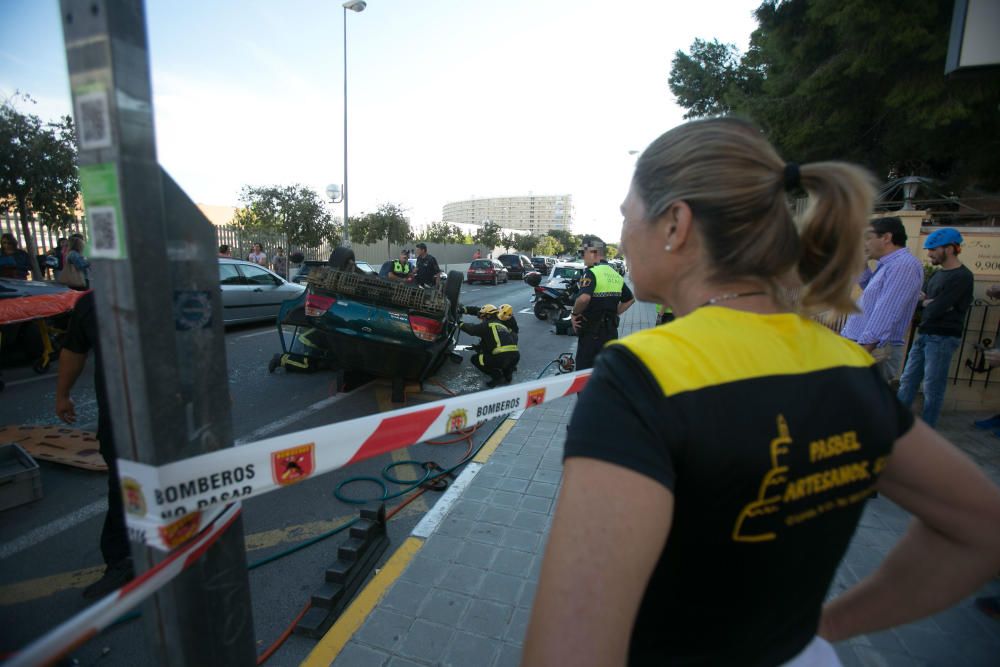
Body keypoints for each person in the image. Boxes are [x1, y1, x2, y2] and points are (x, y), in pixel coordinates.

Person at [522, 117, 1000, 666]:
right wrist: (824, 627)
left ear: (676, 222)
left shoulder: (642, 373)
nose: (624, 236)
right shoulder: (844, 363)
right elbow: (983, 526)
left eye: (627, 216)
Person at [55, 291, 134, 599]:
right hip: (119, 421)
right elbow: (74, 350)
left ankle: (189, 550)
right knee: (124, 490)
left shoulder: (178, 293)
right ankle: (122, 561)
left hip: (176, 418)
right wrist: (63, 394)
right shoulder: (95, 303)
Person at [896, 228, 974, 428]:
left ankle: (927, 429)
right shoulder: (938, 275)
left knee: (932, 386)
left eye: (933, 249)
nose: (929, 253)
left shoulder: (963, 277)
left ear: (949, 249)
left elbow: (936, 308)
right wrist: (928, 303)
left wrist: (929, 303)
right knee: (907, 380)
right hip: (924, 333)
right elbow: (924, 302)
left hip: (943, 338)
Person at [840, 217, 923, 383]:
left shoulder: (903, 265)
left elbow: (887, 311)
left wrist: (862, 352)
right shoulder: (888, 265)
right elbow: (871, 293)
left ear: (886, 238)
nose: (864, 244)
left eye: (868, 238)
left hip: (872, 349)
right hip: (863, 345)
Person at [570, 236, 635, 370]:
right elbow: (630, 299)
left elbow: (584, 298)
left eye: (583, 253)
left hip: (591, 335)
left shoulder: (591, 272)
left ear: (593, 252)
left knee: (584, 376)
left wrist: (574, 314)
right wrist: (615, 312)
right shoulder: (615, 274)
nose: (582, 257)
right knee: (605, 372)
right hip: (611, 333)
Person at [460, 303, 519, 388]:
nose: (481, 319)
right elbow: (478, 311)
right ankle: (508, 373)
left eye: (482, 317)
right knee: (504, 353)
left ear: (488, 316)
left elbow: (472, 329)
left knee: (476, 359)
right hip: (516, 355)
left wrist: (459, 324)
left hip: (501, 357)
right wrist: (464, 309)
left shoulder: (489, 324)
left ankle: (497, 375)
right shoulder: (503, 325)